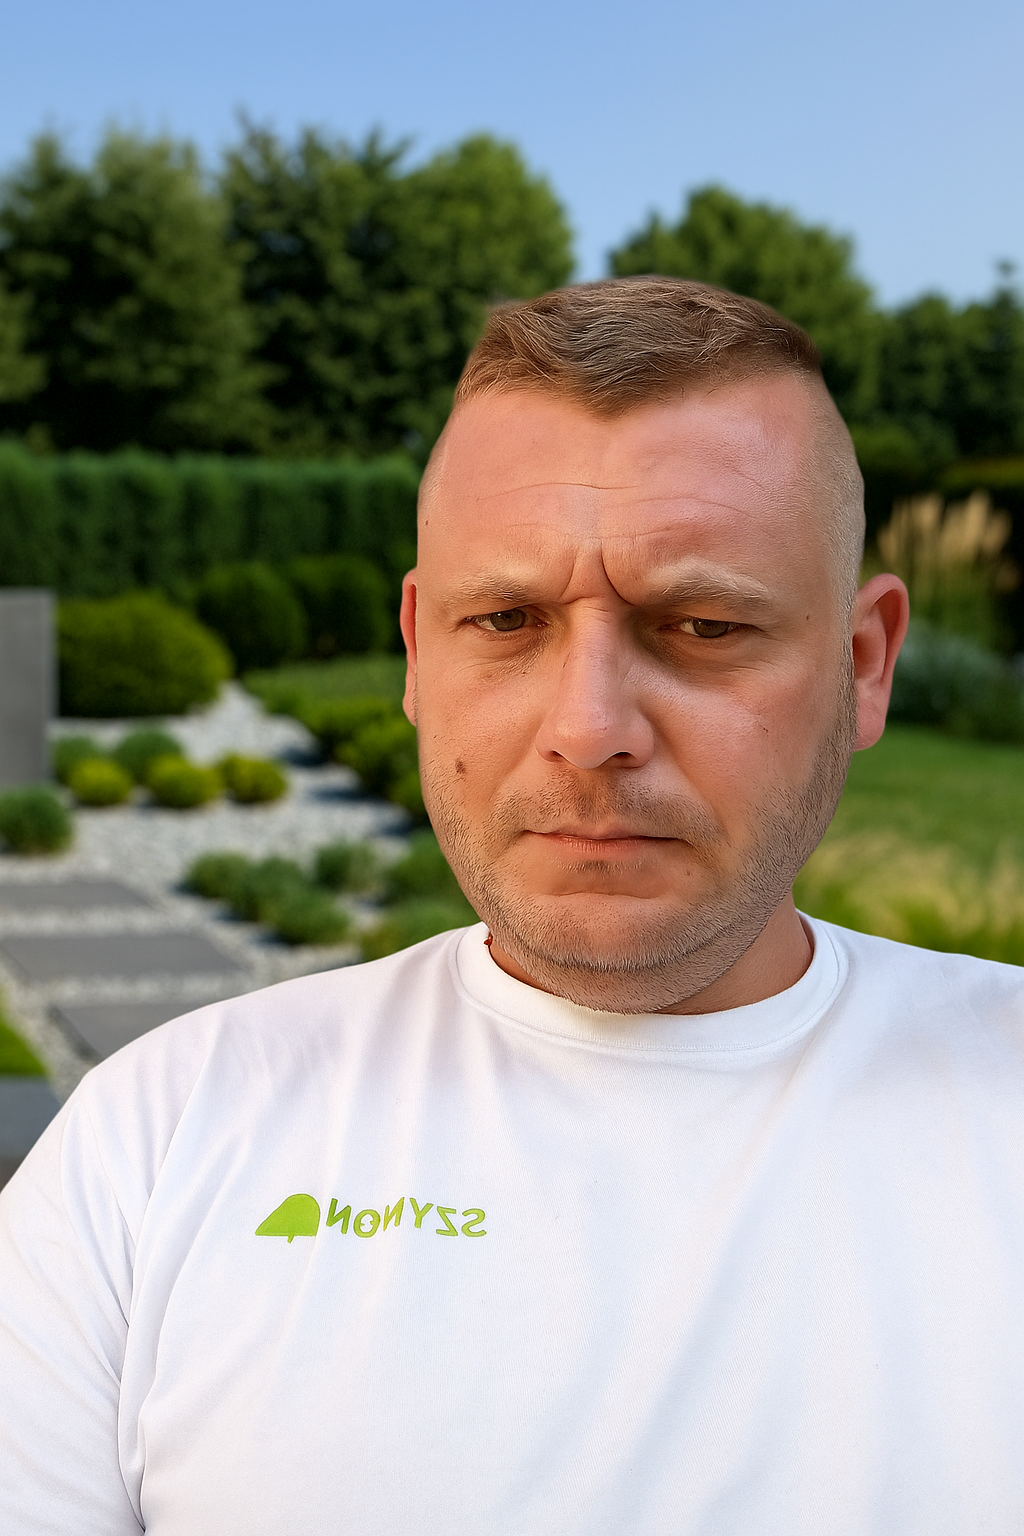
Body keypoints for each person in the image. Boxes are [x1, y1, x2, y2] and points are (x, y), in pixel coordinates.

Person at [2, 277, 1023, 1536]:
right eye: (505, 620)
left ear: (863, 665)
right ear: (418, 651)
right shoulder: (153, 1147)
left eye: (702, 625)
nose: (588, 728)